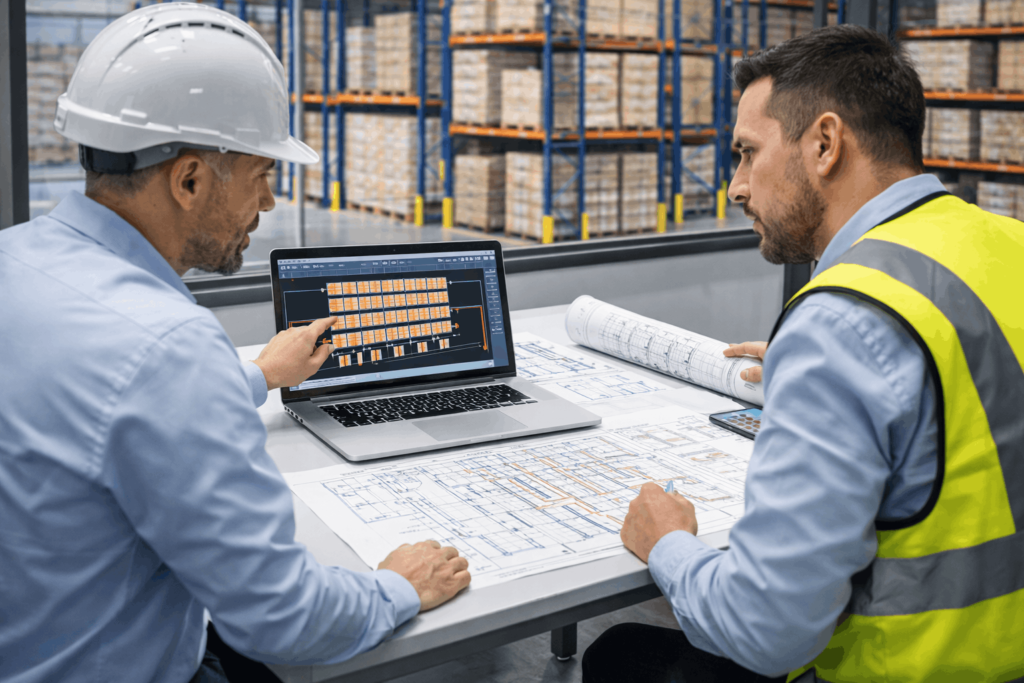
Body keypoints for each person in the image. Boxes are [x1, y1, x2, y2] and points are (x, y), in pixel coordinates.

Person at [0, 5, 469, 682]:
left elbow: (96, 414)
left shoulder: (16, 256)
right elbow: (286, 619)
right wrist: (399, 584)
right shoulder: (168, 348)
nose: (270, 203)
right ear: (188, 180)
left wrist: (254, 375)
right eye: (260, 176)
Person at [583, 23, 1024, 683]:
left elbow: (763, 631)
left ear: (824, 143)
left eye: (746, 153)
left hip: (900, 669)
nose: (735, 188)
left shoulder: (844, 322)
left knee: (618, 657)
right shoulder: (1004, 242)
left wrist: (666, 542)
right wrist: (838, 372)